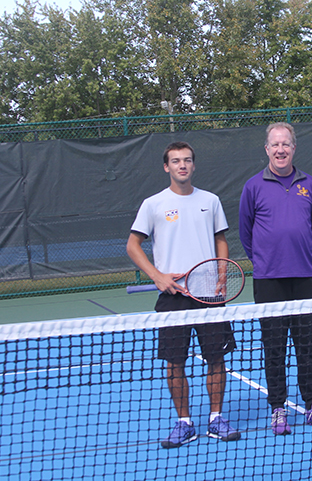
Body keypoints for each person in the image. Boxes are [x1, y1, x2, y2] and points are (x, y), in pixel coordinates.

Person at [126, 141, 241, 448]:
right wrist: (157, 276)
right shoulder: (153, 204)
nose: (182, 165)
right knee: (174, 362)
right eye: (176, 161)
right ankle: (184, 422)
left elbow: (221, 241)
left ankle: (216, 418)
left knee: (216, 359)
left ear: (193, 165)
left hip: (208, 295)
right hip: (173, 296)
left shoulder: (211, 201)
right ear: (167, 167)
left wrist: (220, 276)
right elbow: (133, 245)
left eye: (187, 160)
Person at [239, 122, 312, 436]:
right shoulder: (253, 186)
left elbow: (308, 221)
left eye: (286, 144)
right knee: (274, 347)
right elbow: (246, 232)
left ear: (294, 148)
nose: (281, 150)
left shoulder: (310, 184)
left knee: (307, 345)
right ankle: (278, 408)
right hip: (269, 281)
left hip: (306, 277)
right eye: (275, 145)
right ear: (267, 149)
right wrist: (266, 263)